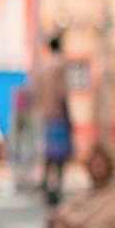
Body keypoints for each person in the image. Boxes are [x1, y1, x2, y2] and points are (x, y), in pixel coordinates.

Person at [30, 34, 72, 206]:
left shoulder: (44, 66)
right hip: (59, 115)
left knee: (49, 156)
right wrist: (69, 116)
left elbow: (36, 93)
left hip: (46, 116)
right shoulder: (60, 64)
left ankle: (46, 185)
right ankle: (57, 189)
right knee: (61, 157)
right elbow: (62, 93)